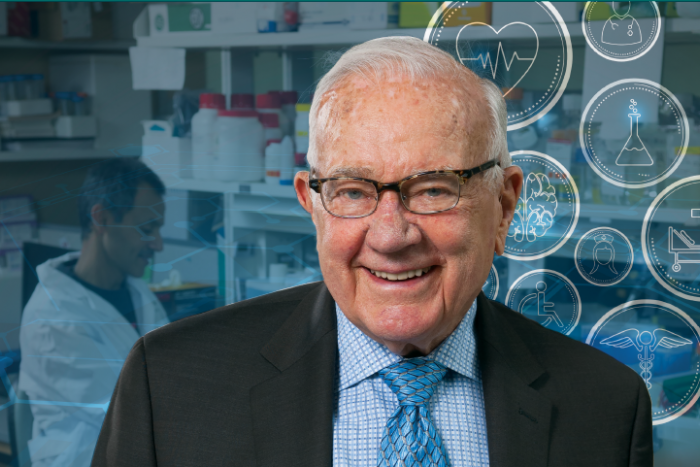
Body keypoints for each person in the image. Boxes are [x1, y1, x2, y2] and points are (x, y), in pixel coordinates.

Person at [92, 37, 652, 467]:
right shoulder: (169, 387)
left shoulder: (605, 406)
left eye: (434, 189)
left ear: (504, 206)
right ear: (313, 204)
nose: (390, 236)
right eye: (353, 192)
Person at [19, 158, 169, 467]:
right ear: (102, 219)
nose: (158, 244)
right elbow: (130, 414)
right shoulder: (53, 319)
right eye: (146, 229)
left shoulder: (135, 290)